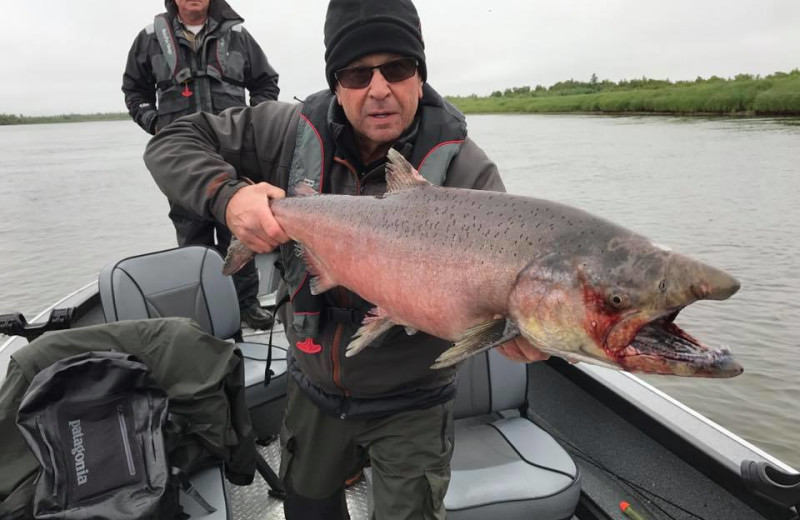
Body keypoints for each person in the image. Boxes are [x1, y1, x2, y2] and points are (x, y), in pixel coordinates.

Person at [144, 1, 549, 517]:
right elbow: (172, 141)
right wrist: (229, 197)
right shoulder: (286, 132)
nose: (379, 89)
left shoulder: (467, 171)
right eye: (358, 74)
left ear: (420, 78)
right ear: (337, 85)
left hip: (414, 402)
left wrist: (523, 332)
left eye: (397, 69)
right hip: (312, 390)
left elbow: (510, 288)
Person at [122, 0, 279, 330]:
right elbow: (134, 92)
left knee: (241, 231)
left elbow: (266, 83)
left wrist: (255, 125)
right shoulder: (149, 38)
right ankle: (205, 311)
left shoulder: (239, 36)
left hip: (234, 154)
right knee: (192, 239)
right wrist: (156, 126)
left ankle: (247, 304)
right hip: (183, 162)